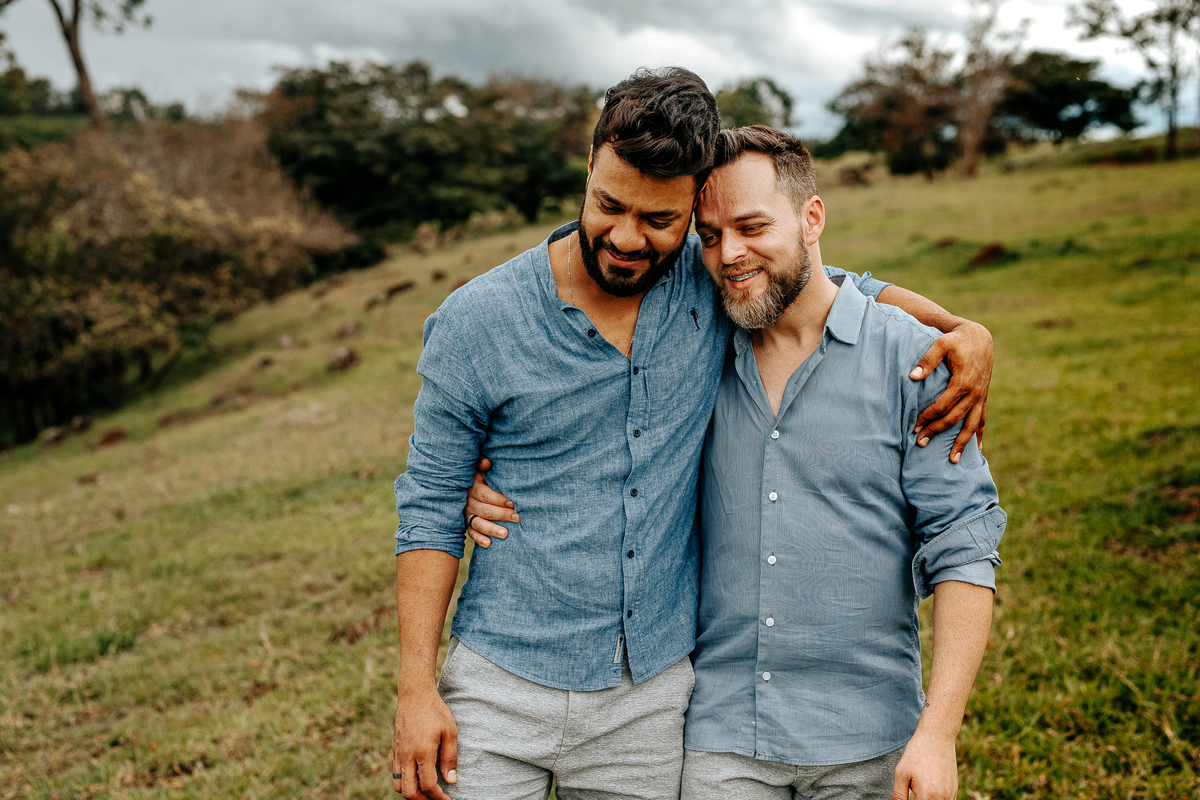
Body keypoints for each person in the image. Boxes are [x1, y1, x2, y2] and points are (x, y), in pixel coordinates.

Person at [395, 68, 991, 800]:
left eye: (661, 220)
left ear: (690, 209)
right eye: (607, 205)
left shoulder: (704, 280)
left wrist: (962, 330)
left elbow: (828, 283)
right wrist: (415, 689)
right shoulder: (478, 320)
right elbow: (428, 498)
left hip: (651, 701)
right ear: (587, 172)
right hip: (498, 685)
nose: (624, 236)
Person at [677, 126, 1004, 799]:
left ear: (813, 216)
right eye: (709, 236)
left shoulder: (915, 362)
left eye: (751, 226)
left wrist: (938, 735)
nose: (728, 254)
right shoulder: (693, 348)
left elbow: (963, 546)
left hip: (871, 740)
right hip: (721, 739)